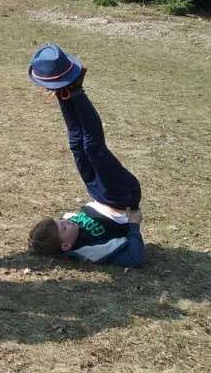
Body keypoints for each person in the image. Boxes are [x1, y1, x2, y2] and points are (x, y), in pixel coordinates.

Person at [27, 44, 144, 267]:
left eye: (60, 221)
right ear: (66, 246)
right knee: (93, 148)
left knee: (76, 144)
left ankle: (64, 90)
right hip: (122, 197)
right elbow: (134, 259)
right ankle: (77, 91)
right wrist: (134, 225)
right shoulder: (87, 249)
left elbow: (61, 226)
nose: (66, 221)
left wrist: (59, 226)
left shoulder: (65, 231)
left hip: (98, 193)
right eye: (63, 227)